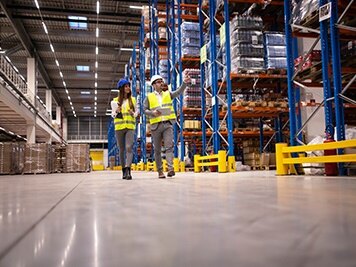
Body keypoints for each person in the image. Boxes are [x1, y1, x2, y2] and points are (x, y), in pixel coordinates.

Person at [143, 74, 190, 179]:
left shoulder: (167, 94)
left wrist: (184, 83)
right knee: (157, 150)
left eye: (161, 81)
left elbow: (178, 92)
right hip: (155, 126)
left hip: (167, 124)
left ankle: (170, 169)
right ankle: (160, 171)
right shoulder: (149, 97)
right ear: (154, 85)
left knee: (169, 147)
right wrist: (152, 113)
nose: (161, 83)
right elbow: (144, 110)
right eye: (158, 82)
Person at [111, 78, 139, 180]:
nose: (128, 88)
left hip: (130, 127)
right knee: (121, 149)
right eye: (126, 86)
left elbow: (136, 114)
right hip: (119, 128)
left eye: (128, 86)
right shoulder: (115, 101)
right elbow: (113, 115)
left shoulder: (133, 100)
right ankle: (123, 171)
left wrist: (133, 114)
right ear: (121, 88)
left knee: (129, 147)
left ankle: (128, 170)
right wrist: (117, 111)